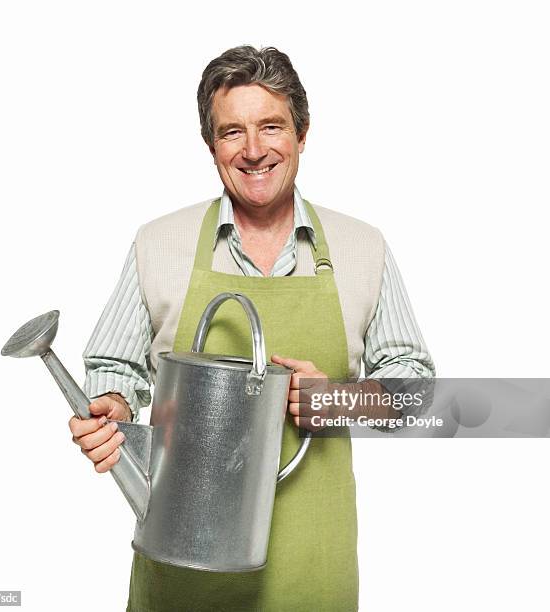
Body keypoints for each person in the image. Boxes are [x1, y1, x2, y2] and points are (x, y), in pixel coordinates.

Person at [70, 45, 435, 611]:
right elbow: (112, 371)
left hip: (313, 575)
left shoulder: (363, 248)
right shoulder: (158, 244)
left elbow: (415, 394)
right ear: (210, 145)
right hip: (181, 579)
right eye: (232, 131)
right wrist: (111, 410)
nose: (255, 150)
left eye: (272, 126)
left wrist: (338, 399)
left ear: (303, 133)